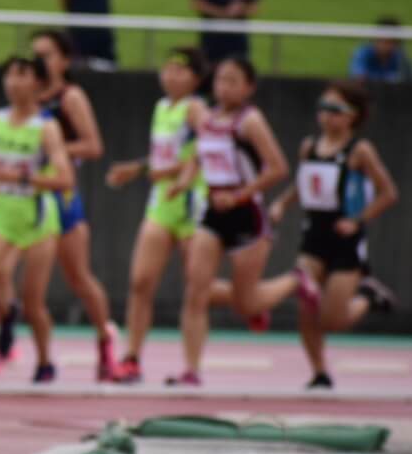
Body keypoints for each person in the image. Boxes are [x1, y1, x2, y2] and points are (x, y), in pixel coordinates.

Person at [259, 82, 399, 389]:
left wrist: (358, 219)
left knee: (333, 319)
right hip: (314, 235)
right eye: (322, 108)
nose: (326, 116)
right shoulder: (309, 147)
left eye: (335, 110)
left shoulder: (359, 151)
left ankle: (368, 297)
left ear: (353, 116)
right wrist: (282, 203)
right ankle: (319, 371)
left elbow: (388, 193)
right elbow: (304, 183)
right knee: (306, 306)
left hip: (344, 237)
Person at [170, 58, 294, 386]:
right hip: (213, 212)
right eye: (220, 79)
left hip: (247, 214)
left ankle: (297, 281)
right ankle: (191, 370)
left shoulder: (249, 121)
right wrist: (184, 181)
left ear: (249, 87)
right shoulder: (207, 119)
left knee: (245, 302)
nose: (224, 87)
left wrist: (240, 194)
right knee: (196, 288)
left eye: (233, 81)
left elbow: (278, 168)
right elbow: (198, 155)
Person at [0, 55, 73, 383]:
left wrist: (23, 179)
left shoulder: (46, 127)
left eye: (22, 76)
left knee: (33, 301)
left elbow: (64, 178)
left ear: (39, 84)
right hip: (1, 212)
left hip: (36, 217)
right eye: (9, 75)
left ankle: (44, 361)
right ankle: (6, 313)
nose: (13, 82)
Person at [103, 47, 208, 384]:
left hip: (191, 202)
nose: (171, 76)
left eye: (180, 70)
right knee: (141, 281)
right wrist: (136, 169)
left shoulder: (196, 109)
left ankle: (192, 368)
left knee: (195, 287)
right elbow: (161, 157)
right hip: (161, 203)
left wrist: (181, 177)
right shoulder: (162, 108)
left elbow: (210, 151)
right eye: (167, 69)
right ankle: (132, 358)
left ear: (195, 77)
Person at [29, 29, 119, 381]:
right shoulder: (26, 96)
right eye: (36, 54)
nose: (41, 61)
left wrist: (55, 150)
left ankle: (105, 338)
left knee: (77, 276)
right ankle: (32, 355)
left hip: (61, 195)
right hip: (27, 197)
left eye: (48, 54)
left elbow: (93, 145)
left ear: (64, 60)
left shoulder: (70, 96)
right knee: (22, 282)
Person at [348, 17, 412, 83]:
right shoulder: (362, 53)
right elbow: (358, 78)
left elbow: (408, 81)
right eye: (383, 40)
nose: (385, 45)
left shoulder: (401, 57)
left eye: (390, 41)